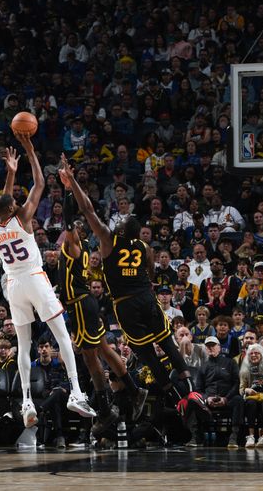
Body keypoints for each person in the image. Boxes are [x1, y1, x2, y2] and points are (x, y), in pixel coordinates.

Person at [60, 155, 194, 408]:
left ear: (121, 230)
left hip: (126, 303)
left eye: (121, 221)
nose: (119, 220)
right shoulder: (145, 246)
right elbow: (151, 274)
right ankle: (190, 390)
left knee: (145, 353)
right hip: (146, 296)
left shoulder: (109, 240)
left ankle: (176, 399)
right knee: (166, 342)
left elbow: (87, 209)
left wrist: (73, 183)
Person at [0, 137, 95, 429]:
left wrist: (9, 173)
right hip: (34, 277)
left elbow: (4, 203)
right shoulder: (22, 218)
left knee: (23, 345)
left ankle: (26, 402)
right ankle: (76, 392)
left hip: (12, 284)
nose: (21, 203)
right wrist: (32, 152)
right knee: (62, 335)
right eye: (16, 203)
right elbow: (39, 184)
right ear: (14, 209)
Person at [57, 192, 147, 430]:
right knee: (104, 350)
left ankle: (106, 410)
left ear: (78, 234)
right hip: (84, 303)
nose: (67, 233)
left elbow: (67, 222)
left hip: (80, 304)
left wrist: (67, 194)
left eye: (73, 231)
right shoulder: (82, 247)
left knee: (90, 357)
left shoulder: (73, 246)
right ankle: (135, 391)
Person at [191, 336, 243, 449]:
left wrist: (226, 398)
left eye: (213, 345)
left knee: (238, 400)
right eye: (208, 346)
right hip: (208, 401)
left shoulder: (230, 363)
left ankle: (234, 436)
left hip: (227, 399)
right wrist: (206, 398)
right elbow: (198, 389)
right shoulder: (203, 367)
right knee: (194, 400)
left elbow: (236, 384)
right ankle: (196, 436)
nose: (210, 348)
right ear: (205, 349)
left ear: (219, 347)